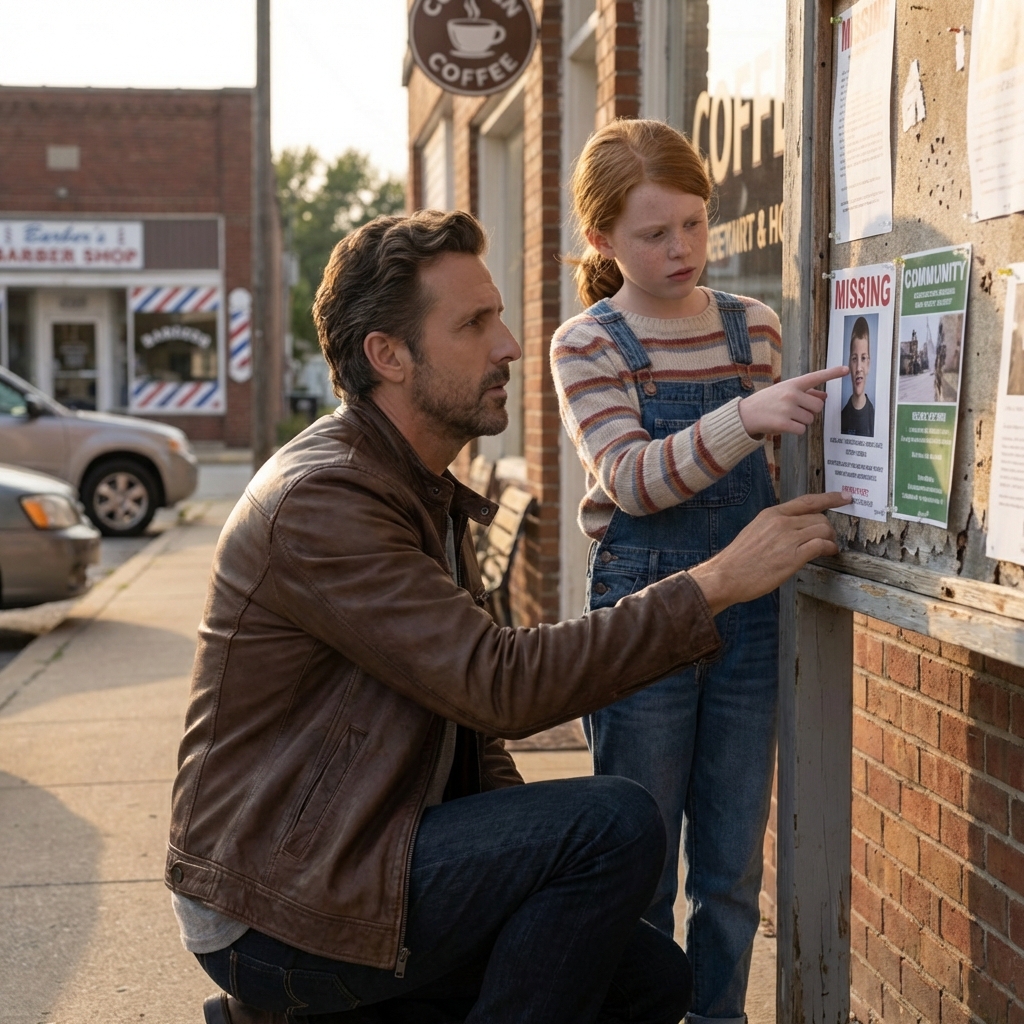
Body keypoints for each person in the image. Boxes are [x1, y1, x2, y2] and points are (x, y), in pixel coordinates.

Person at [166, 208, 845, 1024]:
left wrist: (524, 851)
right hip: (278, 901)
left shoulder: (408, 481)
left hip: (360, 852)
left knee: (650, 980)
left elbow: (471, 736)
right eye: (474, 325)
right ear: (388, 355)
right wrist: (718, 581)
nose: (510, 346)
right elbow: (499, 685)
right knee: (616, 822)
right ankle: (291, 1005)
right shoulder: (328, 500)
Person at [550, 119, 847, 1024]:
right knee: (639, 860)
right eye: (652, 233)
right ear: (600, 240)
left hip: (750, 612)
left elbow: (774, 458)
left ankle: (719, 1015)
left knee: (730, 866)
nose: (679, 249)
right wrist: (746, 418)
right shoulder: (586, 343)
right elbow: (633, 482)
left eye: (693, 224)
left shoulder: (750, 327)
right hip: (641, 606)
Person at [841, 317, 875, 436]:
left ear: (868, 365)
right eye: (854, 359)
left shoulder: (874, 417)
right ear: (849, 364)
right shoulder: (841, 416)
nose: (859, 367)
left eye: (863, 358)